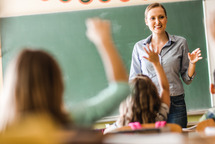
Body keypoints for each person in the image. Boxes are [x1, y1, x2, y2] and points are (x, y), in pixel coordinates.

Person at [0, 18, 131, 132]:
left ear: (11, 84)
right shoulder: (67, 121)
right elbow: (121, 88)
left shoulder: (5, 129)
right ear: (56, 82)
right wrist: (104, 41)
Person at [129, 3, 202, 128]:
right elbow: (134, 79)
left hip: (175, 102)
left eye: (161, 17)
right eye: (152, 18)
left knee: (178, 140)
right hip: (149, 104)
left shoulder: (180, 43)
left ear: (166, 19)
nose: (157, 21)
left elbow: (187, 79)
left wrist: (192, 63)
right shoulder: (139, 47)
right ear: (146, 21)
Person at [104, 44, 170, 134]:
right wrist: (156, 63)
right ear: (154, 96)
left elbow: (106, 133)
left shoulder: (119, 127)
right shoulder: (159, 119)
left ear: (127, 100)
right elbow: (165, 89)